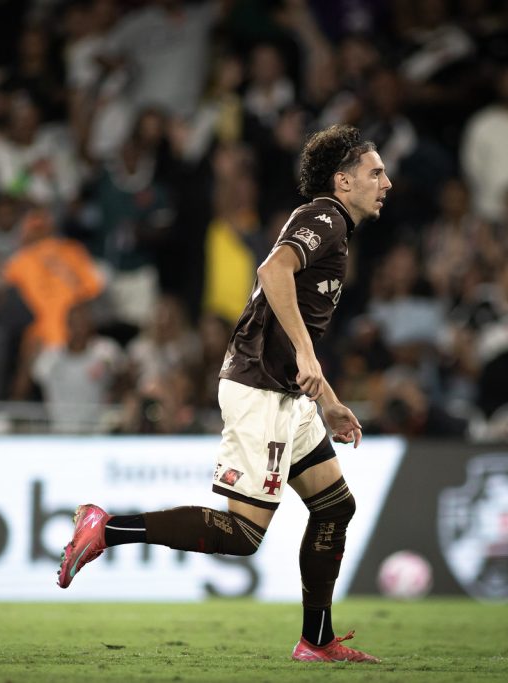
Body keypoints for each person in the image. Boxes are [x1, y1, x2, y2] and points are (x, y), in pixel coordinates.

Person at [57, 124, 392, 664]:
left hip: (287, 395)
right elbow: (273, 271)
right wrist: (308, 358)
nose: (386, 182)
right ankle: (107, 527)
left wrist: (327, 400)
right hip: (261, 390)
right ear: (343, 180)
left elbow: (292, 323)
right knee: (242, 534)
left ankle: (317, 641)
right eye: (375, 172)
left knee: (335, 506)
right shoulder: (325, 217)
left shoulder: (333, 227)